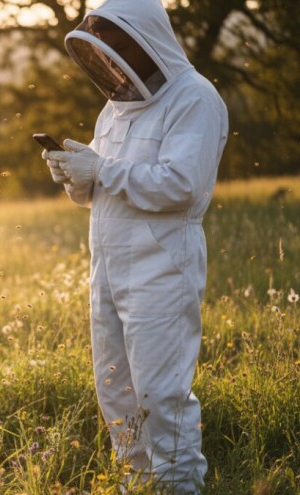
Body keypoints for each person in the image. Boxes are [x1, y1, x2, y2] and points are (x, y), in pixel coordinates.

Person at [42, 0, 228, 493]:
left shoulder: (195, 99)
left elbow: (183, 187)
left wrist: (101, 170)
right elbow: (104, 191)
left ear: (146, 41)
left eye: (120, 48)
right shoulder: (115, 107)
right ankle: (137, 484)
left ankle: (177, 486)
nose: (113, 62)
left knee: (159, 394)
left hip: (162, 268)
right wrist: (74, 174)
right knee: (116, 391)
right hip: (107, 266)